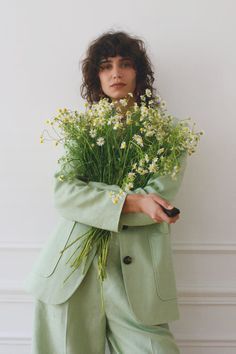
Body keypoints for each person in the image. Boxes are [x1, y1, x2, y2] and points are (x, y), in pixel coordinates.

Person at [24, 30, 187, 354]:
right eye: (105, 65)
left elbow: (158, 199)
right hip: (73, 271)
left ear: (138, 72)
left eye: (125, 64)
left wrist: (108, 199)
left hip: (137, 276)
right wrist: (132, 199)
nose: (116, 73)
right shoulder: (81, 130)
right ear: (95, 76)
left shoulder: (168, 135)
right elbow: (65, 194)